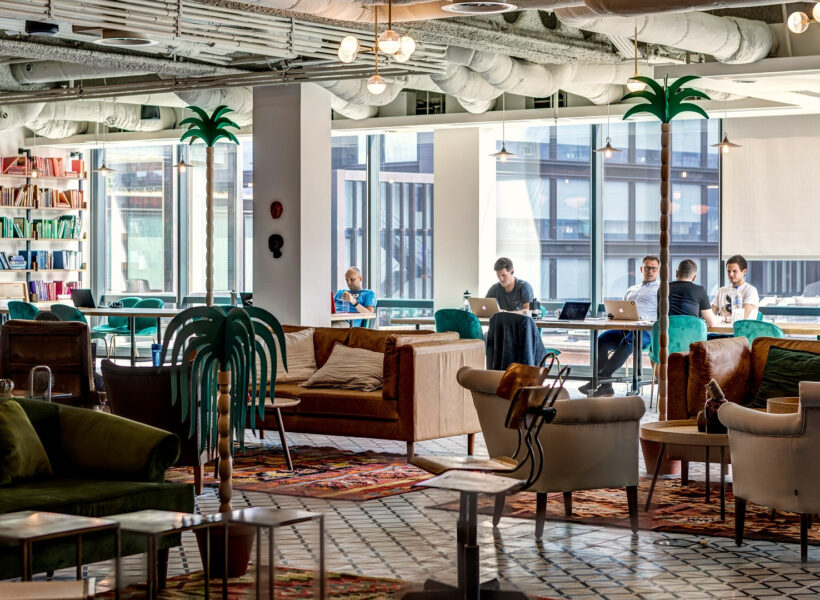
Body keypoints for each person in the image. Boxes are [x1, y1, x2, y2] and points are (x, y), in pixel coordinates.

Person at [580, 255, 660, 397]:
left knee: (629, 340)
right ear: (641, 269)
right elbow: (622, 309)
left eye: (654, 268)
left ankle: (599, 378)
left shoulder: (661, 290)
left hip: (646, 331)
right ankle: (606, 386)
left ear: (658, 270)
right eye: (647, 268)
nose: (650, 271)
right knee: (601, 340)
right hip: (625, 327)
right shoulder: (631, 289)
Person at [667, 259, 720, 327]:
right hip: (691, 332)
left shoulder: (663, 289)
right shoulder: (700, 290)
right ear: (694, 277)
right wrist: (724, 318)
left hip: (666, 333)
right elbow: (711, 323)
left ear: (677, 273)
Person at [711, 255, 759, 321]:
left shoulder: (751, 290)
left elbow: (743, 316)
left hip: (743, 327)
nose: (731, 274)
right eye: (729, 271)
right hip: (722, 327)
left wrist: (723, 318)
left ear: (744, 272)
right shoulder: (722, 290)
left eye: (734, 271)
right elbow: (711, 314)